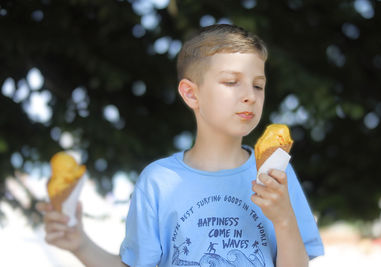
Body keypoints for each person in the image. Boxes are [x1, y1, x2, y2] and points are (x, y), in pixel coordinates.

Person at [37, 24, 324, 267]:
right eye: (231, 81)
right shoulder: (158, 181)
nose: (249, 95)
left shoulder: (277, 179)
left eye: (258, 85)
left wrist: (284, 220)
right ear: (191, 94)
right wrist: (81, 246)